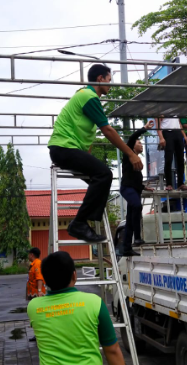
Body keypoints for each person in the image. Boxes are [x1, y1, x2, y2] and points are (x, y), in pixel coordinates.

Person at [48, 64, 143, 243]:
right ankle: (79, 223)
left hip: (65, 150)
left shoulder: (86, 97)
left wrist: (88, 158)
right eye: (109, 80)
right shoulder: (88, 96)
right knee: (104, 174)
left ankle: (85, 221)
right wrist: (131, 154)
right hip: (64, 149)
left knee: (99, 181)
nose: (110, 84)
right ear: (100, 78)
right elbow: (108, 130)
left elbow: (87, 139)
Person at [28, 251, 133, 365]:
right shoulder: (94, 303)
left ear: (46, 280)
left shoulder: (34, 308)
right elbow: (112, 350)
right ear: (74, 276)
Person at [119, 120, 155, 256]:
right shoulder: (128, 155)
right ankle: (138, 237)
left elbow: (135, 180)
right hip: (127, 189)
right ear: (132, 147)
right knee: (137, 206)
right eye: (139, 143)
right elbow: (132, 138)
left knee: (130, 220)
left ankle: (127, 248)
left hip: (134, 190)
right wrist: (144, 128)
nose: (141, 145)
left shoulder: (137, 163)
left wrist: (145, 187)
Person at [156, 117, 187, 190]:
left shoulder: (175, 108)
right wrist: (161, 138)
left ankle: (181, 183)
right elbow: (158, 125)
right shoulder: (160, 108)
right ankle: (169, 184)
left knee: (180, 159)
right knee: (168, 158)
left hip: (177, 132)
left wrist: (184, 136)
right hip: (167, 132)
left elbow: (179, 123)